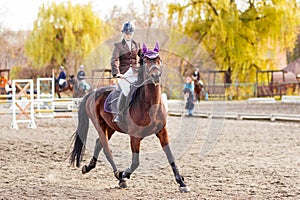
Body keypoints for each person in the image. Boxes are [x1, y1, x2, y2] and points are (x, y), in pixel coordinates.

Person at [111, 21, 142, 123]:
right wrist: (116, 73)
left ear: (133, 33)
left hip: (135, 72)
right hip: (123, 73)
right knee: (126, 90)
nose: (128, 35)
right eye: (126, 33)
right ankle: (119, 114)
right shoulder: (118, 46)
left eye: (130, 33)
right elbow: (114, 59)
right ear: (123, 33)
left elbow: (142, 57)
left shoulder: (137, 44)